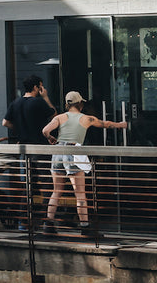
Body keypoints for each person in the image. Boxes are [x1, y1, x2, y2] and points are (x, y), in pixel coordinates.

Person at [41, 91, 127, 235]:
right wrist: (121, 124)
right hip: (73, 152)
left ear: (67, 104)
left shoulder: (59, 117)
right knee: (80, 193)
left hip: (58, 152)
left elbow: (45, 130)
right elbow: (106, 124)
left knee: (56, 191)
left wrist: (50, 138)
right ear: (80, 104)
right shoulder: (87, 118)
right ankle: (85, 227)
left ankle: (48, 224)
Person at [2, 76, 53, 144]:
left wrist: (20, 128)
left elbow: (5, 123)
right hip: (39, 143)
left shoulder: (14, 103)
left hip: (23, 143)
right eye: (41, 87)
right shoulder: (39, 102)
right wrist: (45, 97)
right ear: (35, 87)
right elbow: (54, 115)